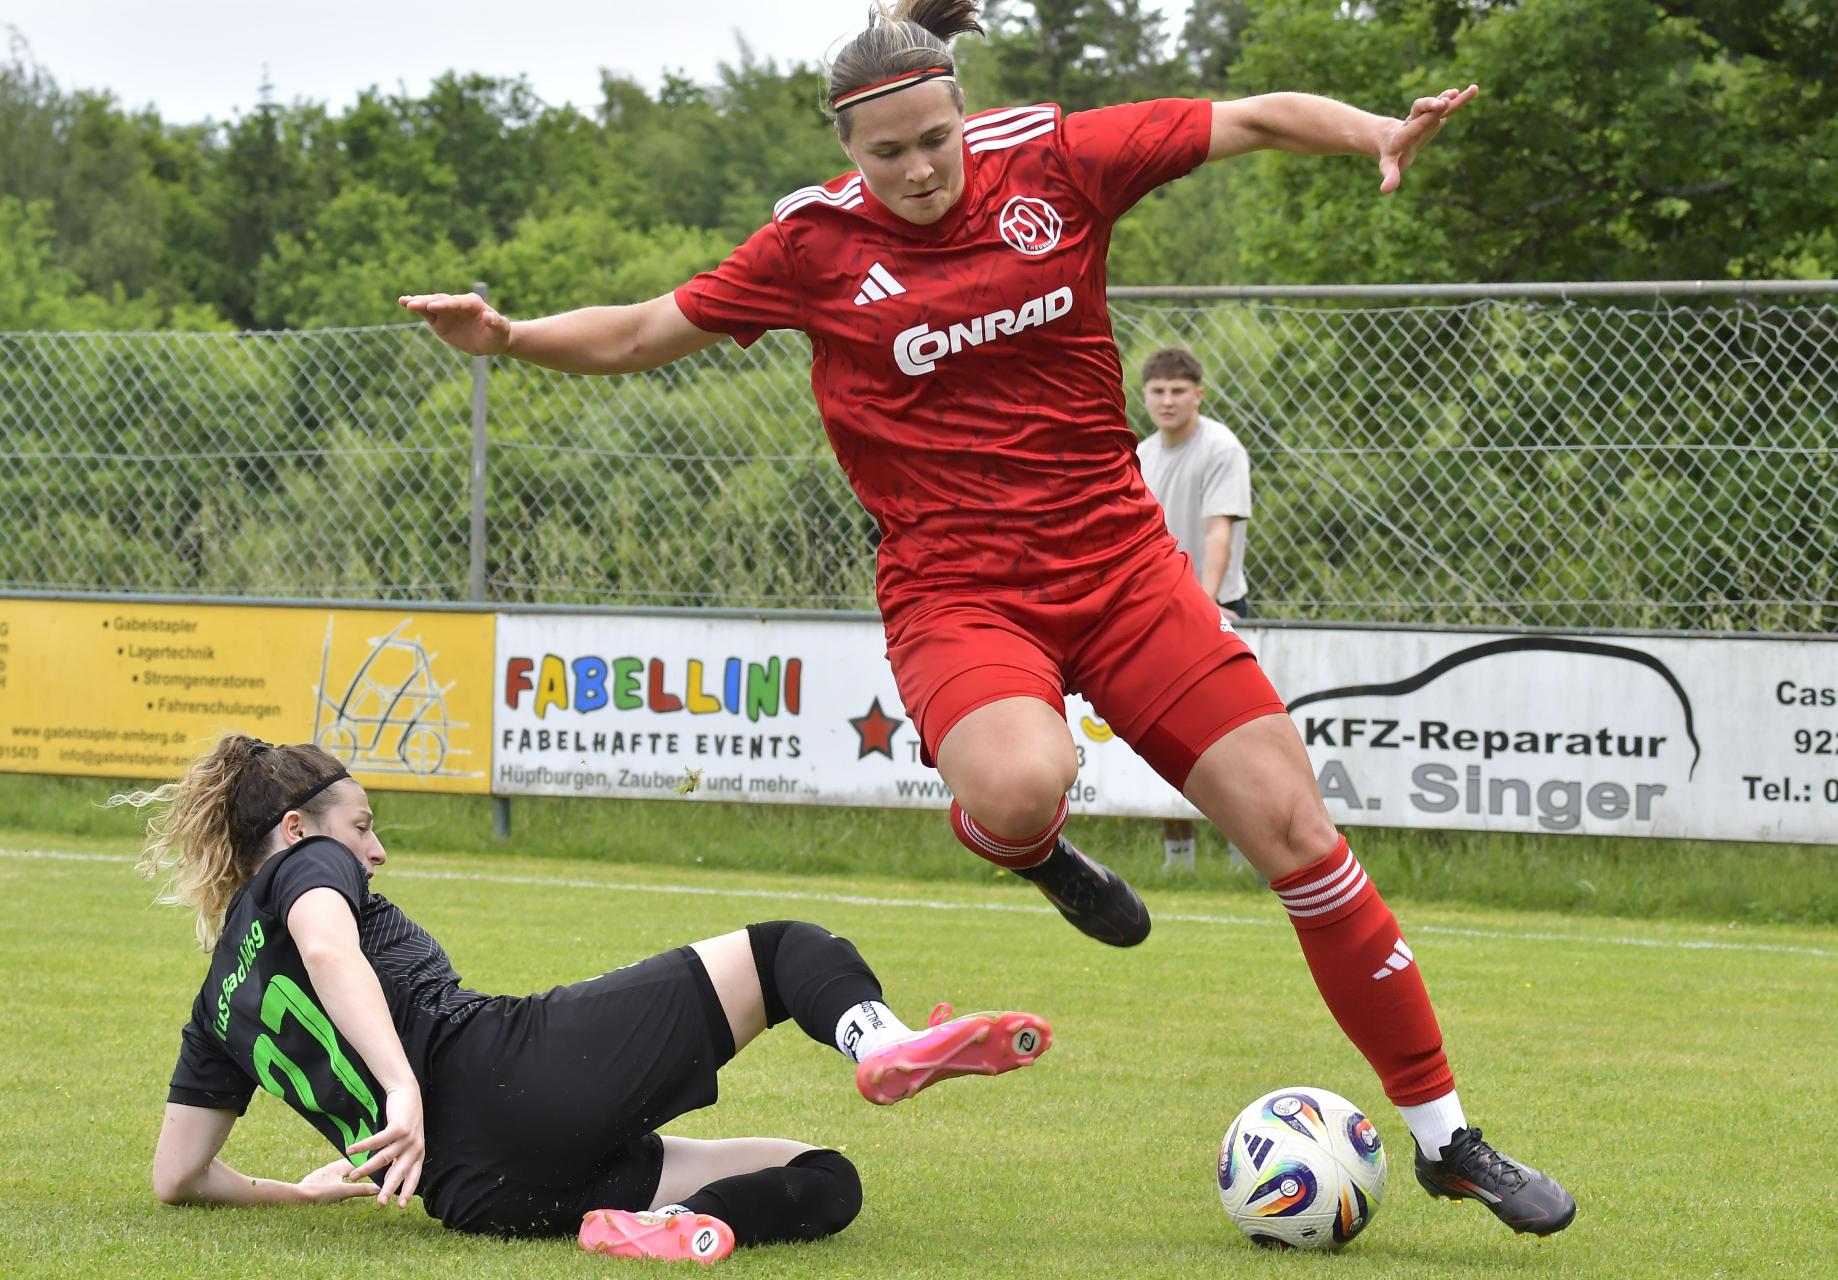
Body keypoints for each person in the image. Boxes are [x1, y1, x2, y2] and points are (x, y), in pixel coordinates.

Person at [398, 0, 1573, 1235]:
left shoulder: (1057, 158)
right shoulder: (812, 245)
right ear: (847, 147)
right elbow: (645, 330)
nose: (917, 169)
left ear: (963, 113)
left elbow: (1250, 119)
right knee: (1020, 787)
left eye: (934, 140)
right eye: (886, 152)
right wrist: (509, 336)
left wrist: (1374, 130)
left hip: (1123, 567)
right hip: (957, 589)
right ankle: (1025, 844)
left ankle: (1446, 1137)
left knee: (1299, 832)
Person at [126, 734, 1053, 1260]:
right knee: (786, 951)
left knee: (825, 1177)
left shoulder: (217, 1004)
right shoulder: (304, 868)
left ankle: (679, 1228)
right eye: (362, 826)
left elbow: (179, 1176)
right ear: (296, 830)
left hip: (475, 1192)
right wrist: (402, 1087)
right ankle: (878, 1040)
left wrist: (297, 1193)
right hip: (508, 1078)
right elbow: (330, 947)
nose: (376, 850)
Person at [1134, 346, 1253, 872]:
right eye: (1158, 391)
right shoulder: (1140, 455)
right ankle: (1178, 861)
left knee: (1233, 739)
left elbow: (1217, 532)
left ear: (1198, 395)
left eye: (1178, 391)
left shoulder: (1221, 448)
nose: (1168, 400)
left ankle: (1245, 851)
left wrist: (1207, 608)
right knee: (1164, 737)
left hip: (1215, 610)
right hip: (1153, 614)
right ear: (1144, 396)